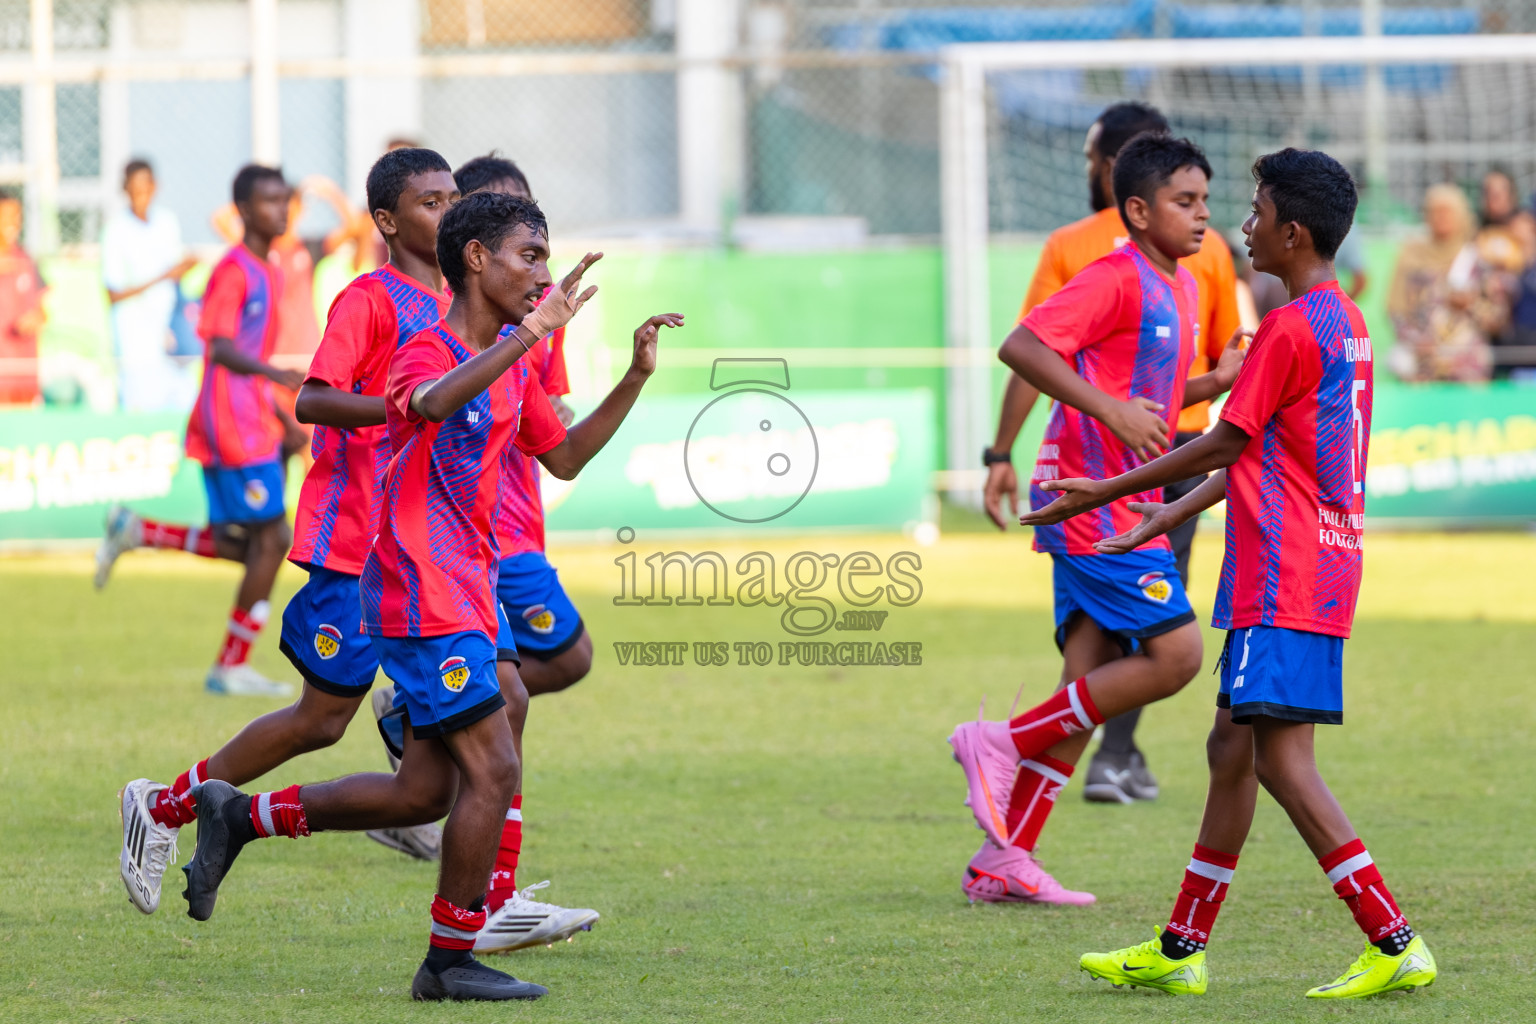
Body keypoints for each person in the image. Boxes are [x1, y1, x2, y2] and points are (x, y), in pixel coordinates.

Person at [176, 191, 682, 1002]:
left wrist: (633, 374)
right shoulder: (425, 347)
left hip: (469, 592)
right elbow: (435, 401)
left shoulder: (512, 364)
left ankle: (239, 818)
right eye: (529, 256)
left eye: (546, 258)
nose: (542, 274)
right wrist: (532, 335)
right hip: (417, 590)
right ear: (475, 259)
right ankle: (448, 961)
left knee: (425, 792)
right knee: (496, 766)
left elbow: (566, 459)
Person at [1020, 148, 1436, 1001]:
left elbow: (1221, 441)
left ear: (1291, 232)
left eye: (1253, 211)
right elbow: (1267, 451)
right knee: (1229, 751)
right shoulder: (1344, 320)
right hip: (1315, 563)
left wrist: (1108, 486)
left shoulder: (1288, 327)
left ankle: (1392, 936)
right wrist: (1172, 513)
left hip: (1284, 571)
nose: (1238, 225)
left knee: (1283, 766)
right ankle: (1181, 947)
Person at [116, 148, 461, 919]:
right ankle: (164, 806)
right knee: (321, 719)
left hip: (422, 545)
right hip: (358, 542)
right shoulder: (371, 299)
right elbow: (313, 400)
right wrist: (405, 410)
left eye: (453, 197)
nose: (447, 210)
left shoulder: (456, 305)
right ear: (386, 221)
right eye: (430, 200)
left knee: (477, 705)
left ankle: (441, 840)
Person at [949, 134, 1247, 905]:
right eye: (1186, 203)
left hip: (1118, 492)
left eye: (1207, 203)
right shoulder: (1114, 275)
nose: (1203, 218)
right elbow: (1021, 346)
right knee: (1177, 656)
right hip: (1092, 499)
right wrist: (1104, 408)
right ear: (1140, 209)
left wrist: (1217, 379)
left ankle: (1004, 858)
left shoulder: (1180, 286)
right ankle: (997, 742)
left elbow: (1149, 399)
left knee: (1085, 685)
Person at [94, 165, 305, 697]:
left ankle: (141, 531)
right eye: (269, 201)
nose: (280, 210)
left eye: (284, 200)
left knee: (254, 543)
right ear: (243, 211)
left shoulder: (269, 269)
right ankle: (231, 666)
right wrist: (273, 377)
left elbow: (249, 354)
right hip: (230, 419)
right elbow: (220, 345)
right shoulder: (233, 269)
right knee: (272, 538)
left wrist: (283, 420)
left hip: (253, 413)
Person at [101, 160, 199, 412]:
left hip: (169, 337)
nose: (141, 195)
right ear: (125, 190)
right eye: (135, 189)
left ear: (155, 187)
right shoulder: (116, 229)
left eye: (145, 187)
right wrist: (164, 275)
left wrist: (184, 267)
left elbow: (174, 276)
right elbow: (113, 293)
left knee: (182, 407)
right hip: (135, 343)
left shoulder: (167, 222)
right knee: (142, 411)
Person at [1386, 183, 1505, 382]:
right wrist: (1418, 341)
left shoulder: (1477, 258)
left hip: (1467, 362)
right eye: (1435, 211)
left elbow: (1498, 317)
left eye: (1447, 211)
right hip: (1421, 361)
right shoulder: (1411, 256)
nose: (1441, 217)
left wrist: (1471, 305)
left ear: (1461, 215)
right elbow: (1395, 311)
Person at [0, 190, 46, 405]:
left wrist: (38, 318)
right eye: (7, 216)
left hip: (25, 380)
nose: (13, 223)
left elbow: (42, 308)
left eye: (17, 216)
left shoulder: (25, 259)